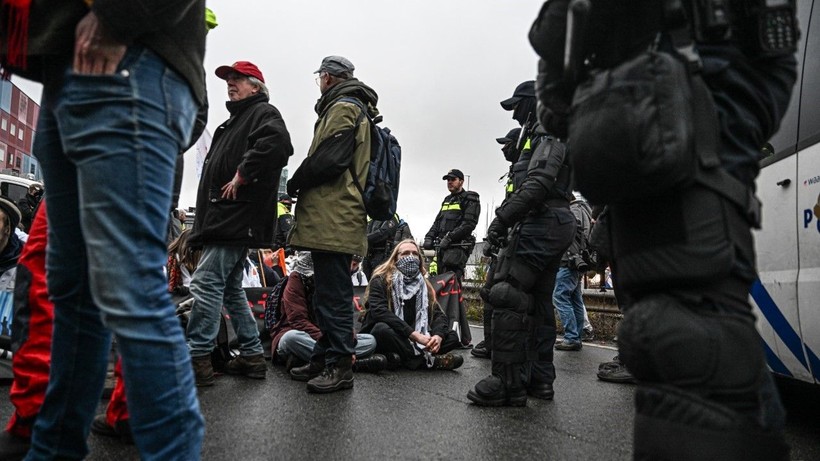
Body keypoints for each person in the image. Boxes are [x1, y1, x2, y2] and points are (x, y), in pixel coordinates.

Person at [529, 1, 798, 457]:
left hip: (656, 108)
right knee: (676, 333)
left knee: (684, 336)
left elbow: (553, 74)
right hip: (655, 107)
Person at [1, 2, 208, 459]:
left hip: (124, 59)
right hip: (72, 68)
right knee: (73, 294)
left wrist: (121, 15)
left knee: (130, 289)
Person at [467, 81, 576, 407]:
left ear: (533, 103)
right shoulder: (539, 131)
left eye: (517, 105)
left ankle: (507, 383)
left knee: (506, 294)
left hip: (542, 221)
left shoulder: (546, 131)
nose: (513, 113)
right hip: (552, 221)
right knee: (540, 304)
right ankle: (539, 380)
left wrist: (502, 218)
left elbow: (540, 180)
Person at [187, 60, 293, 386]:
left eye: (238, 79)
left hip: (234, 218)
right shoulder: (236, 121)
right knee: (231, 288)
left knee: (205, 283)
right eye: (228, 79)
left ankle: (197, 358)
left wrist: (243, 172)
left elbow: (278, 144)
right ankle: (250, 354)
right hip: (228, 217)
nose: (231, 83)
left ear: (256, 87)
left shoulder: (264, 113)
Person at [286, 55, 378, 394]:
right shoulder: (351, 106)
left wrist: (295, 180)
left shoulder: (343, 107)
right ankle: (324, 356)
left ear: (327, 77)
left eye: (320, 78)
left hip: (336, 215)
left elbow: (331, 159)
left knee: (335, 296)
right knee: (328, 293)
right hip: (335, 216)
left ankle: (340, 365)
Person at [272, 252, 386, 374]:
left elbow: (342, 317)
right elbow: (298, 321)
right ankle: (349, 363)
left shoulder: (334, 282)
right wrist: (333, 343)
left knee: (370, 341)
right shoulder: (296, 279)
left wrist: (347, 341)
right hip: (303, 334)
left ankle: (317, 361)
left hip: (329, 338)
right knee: (292, 338)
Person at [360, 239, 464, 371]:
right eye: (405, 253)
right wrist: (414, 335)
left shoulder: (423, 284)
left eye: (415, 254)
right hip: (396, 333)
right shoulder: (380, 279)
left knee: (452, 336)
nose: (410, 257)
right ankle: (428, 361)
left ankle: (402, 358)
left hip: (413, 338)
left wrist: (437, 336)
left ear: (420, 259)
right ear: (395, 258)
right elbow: (380, 312)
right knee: (381, 329)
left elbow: (438, 314)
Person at [472, 127, 522, 360]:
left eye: (507, 144)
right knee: (489, 292)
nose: (504, 149)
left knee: (501, 295)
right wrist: (495, 231)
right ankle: (492, 343)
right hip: (507, 240)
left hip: (520, 242)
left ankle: (505, 346)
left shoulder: (528, 168)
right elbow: (507, 204)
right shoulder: (515, 171)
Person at [553, 193, 593, 351]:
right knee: (575, 298)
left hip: (568, 260)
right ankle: (577, 335)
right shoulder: (585, 209)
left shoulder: (572, 211)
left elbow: (570, 236)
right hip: (579, 261)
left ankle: (571, 337)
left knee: (560, 296)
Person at [423, 169, 480, 280]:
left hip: (456, 249)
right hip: (442, 249)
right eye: (448, 180)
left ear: (461, 181)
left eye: (453, 179)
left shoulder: (470, 199)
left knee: (451, 283)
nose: (449, 182)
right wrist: (429, 237)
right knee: (438, 282)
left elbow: (469, 224)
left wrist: (449, 238)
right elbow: (437, 222)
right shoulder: (447, 200)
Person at [363, 214, 413, 279]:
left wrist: (363, 238)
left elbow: (384, 233)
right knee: (367, 283)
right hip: (368, 255)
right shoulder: (370, 217)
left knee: (378, 280)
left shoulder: (391, 216)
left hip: (382, 255)